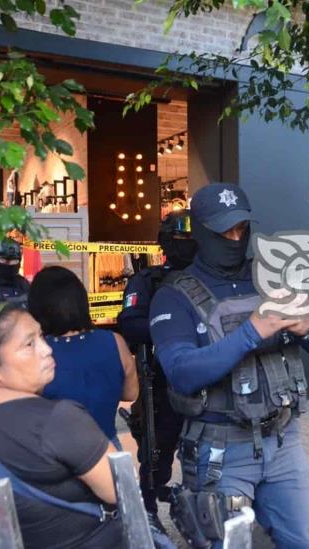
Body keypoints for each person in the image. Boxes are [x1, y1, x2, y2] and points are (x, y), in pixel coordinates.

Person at [149, 182, 309, 549]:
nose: (235, 238)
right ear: (201, 231)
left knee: (308, 542)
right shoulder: (175, 295)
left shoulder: (271, 277)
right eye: (224, 231)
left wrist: (307, 325)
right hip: (220, 449)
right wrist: (251, 332)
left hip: (284, 441)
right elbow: (181, 372)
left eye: (241, 228)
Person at [0, 301, 123, 548]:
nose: (46, 350)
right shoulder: (57, 421)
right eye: (29, 344)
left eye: (41, 336)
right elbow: (122, 490)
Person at [116, 210, 196, 524]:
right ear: (163, 242)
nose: (185, 246)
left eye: (190, 240)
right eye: (178, 239)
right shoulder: (148, 280)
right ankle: (147, 514)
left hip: (206, 382)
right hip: (160, 386)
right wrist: (175, 327)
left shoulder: (210, 280)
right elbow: (130, 325)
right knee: (154, 460)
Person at [27, 266, 138, 447]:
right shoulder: (115, 341)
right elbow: (130, 393)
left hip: (52, 455)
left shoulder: (36, 351)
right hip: (106, 450)